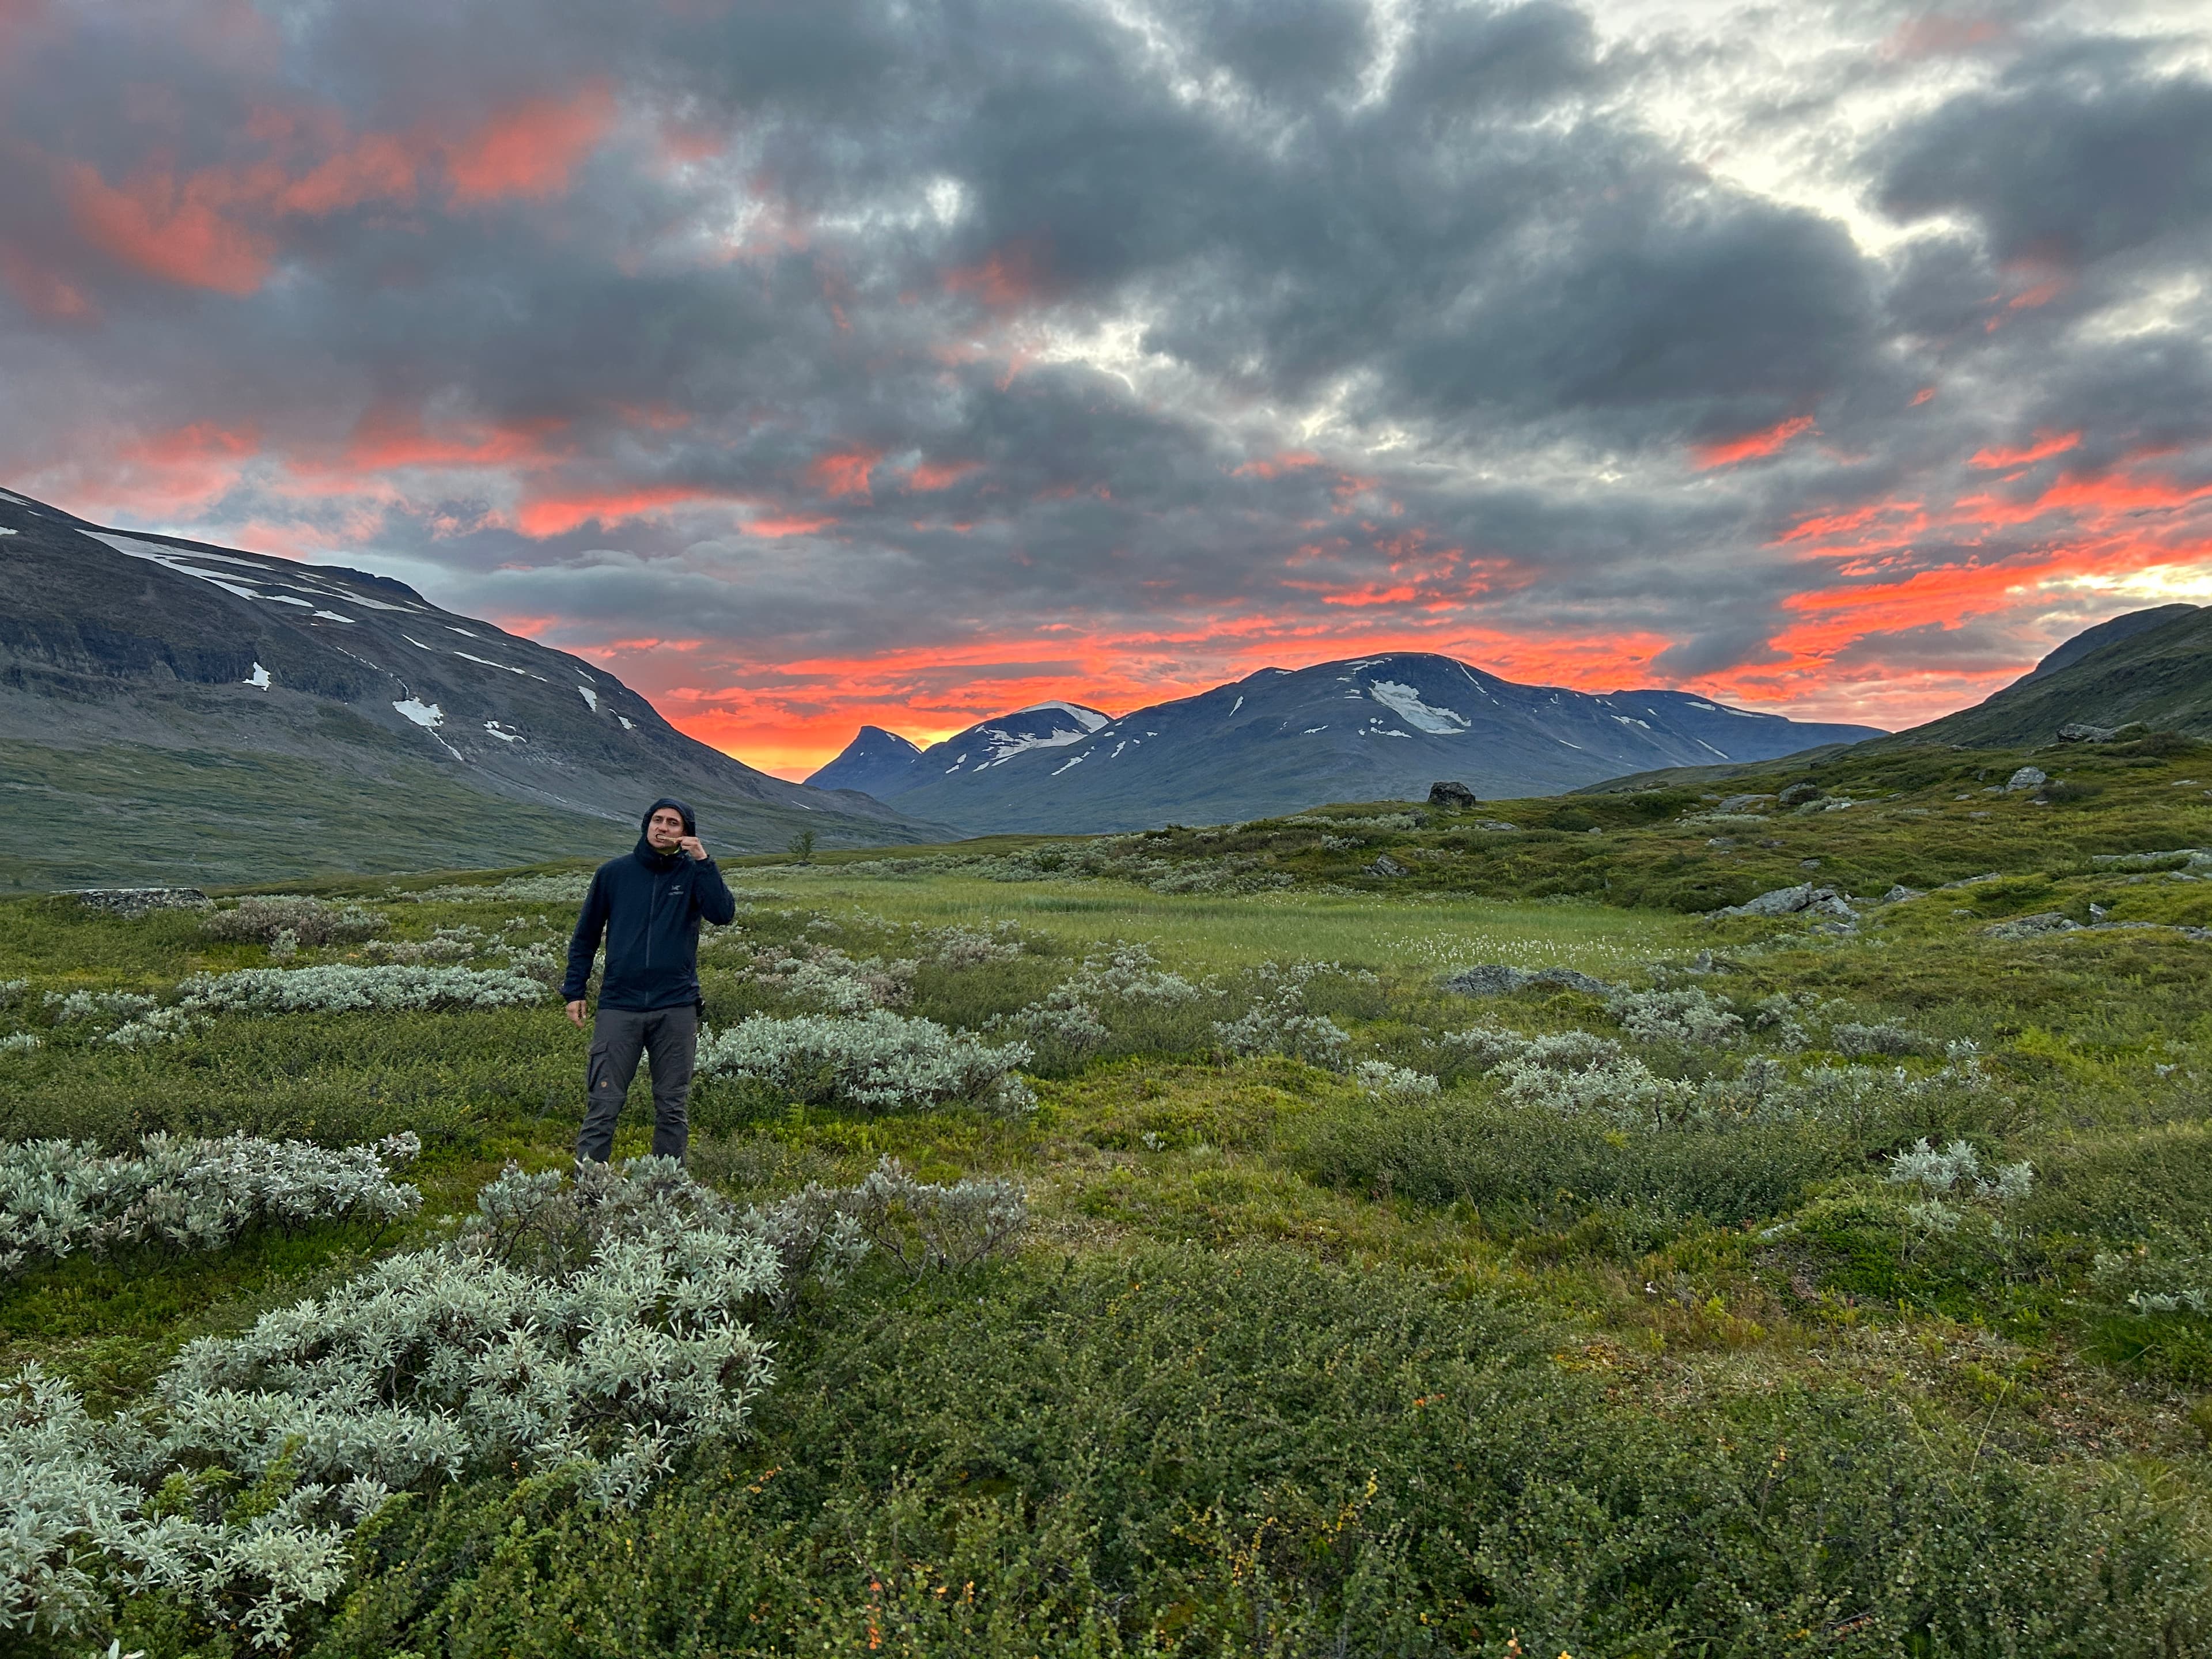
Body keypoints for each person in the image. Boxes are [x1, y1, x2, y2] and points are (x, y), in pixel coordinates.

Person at [561, 797, 736, 1164]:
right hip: (619, 1006)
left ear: (686, 833)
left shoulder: (693, 874)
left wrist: (704, 862)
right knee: (603, 1104)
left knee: (672, 1107)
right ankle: (588, 1198)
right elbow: (586, 936)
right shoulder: (614, 874)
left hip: (675, 1007)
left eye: (674, 823)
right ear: (646, 825)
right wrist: (574, 990)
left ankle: (666, 1190)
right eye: (658, 820)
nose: (664, 828)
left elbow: (722, 914)